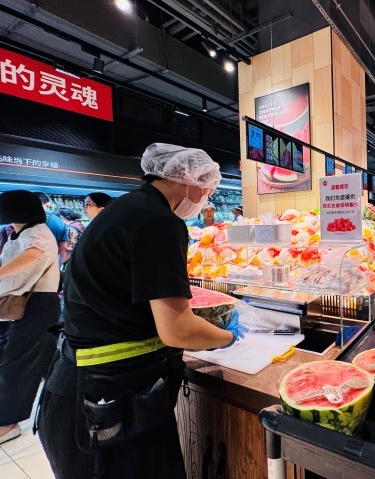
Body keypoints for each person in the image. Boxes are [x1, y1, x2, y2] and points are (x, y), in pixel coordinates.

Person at [38, 143, 247, 479]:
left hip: (82, 387)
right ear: (189, 180)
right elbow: (177, 330)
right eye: (208, 187)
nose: (208, 196)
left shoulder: (125, 209)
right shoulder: (159, 221)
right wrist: (228, 337)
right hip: (110, 403)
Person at [0, 191, 60, 444]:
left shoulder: (37, 232)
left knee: (16, 363)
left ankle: (7, 422)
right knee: (35, 360)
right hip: (22, 304)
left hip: (35, 303)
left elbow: (33, 254)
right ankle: (62, 405)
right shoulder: (19, 232)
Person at [35, 192, 69, 265]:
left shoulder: (20, 219)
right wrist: (60, 263)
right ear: (48, 204)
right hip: (49, 262)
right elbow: (63, 246)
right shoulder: (58, 222)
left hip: (26, 263)